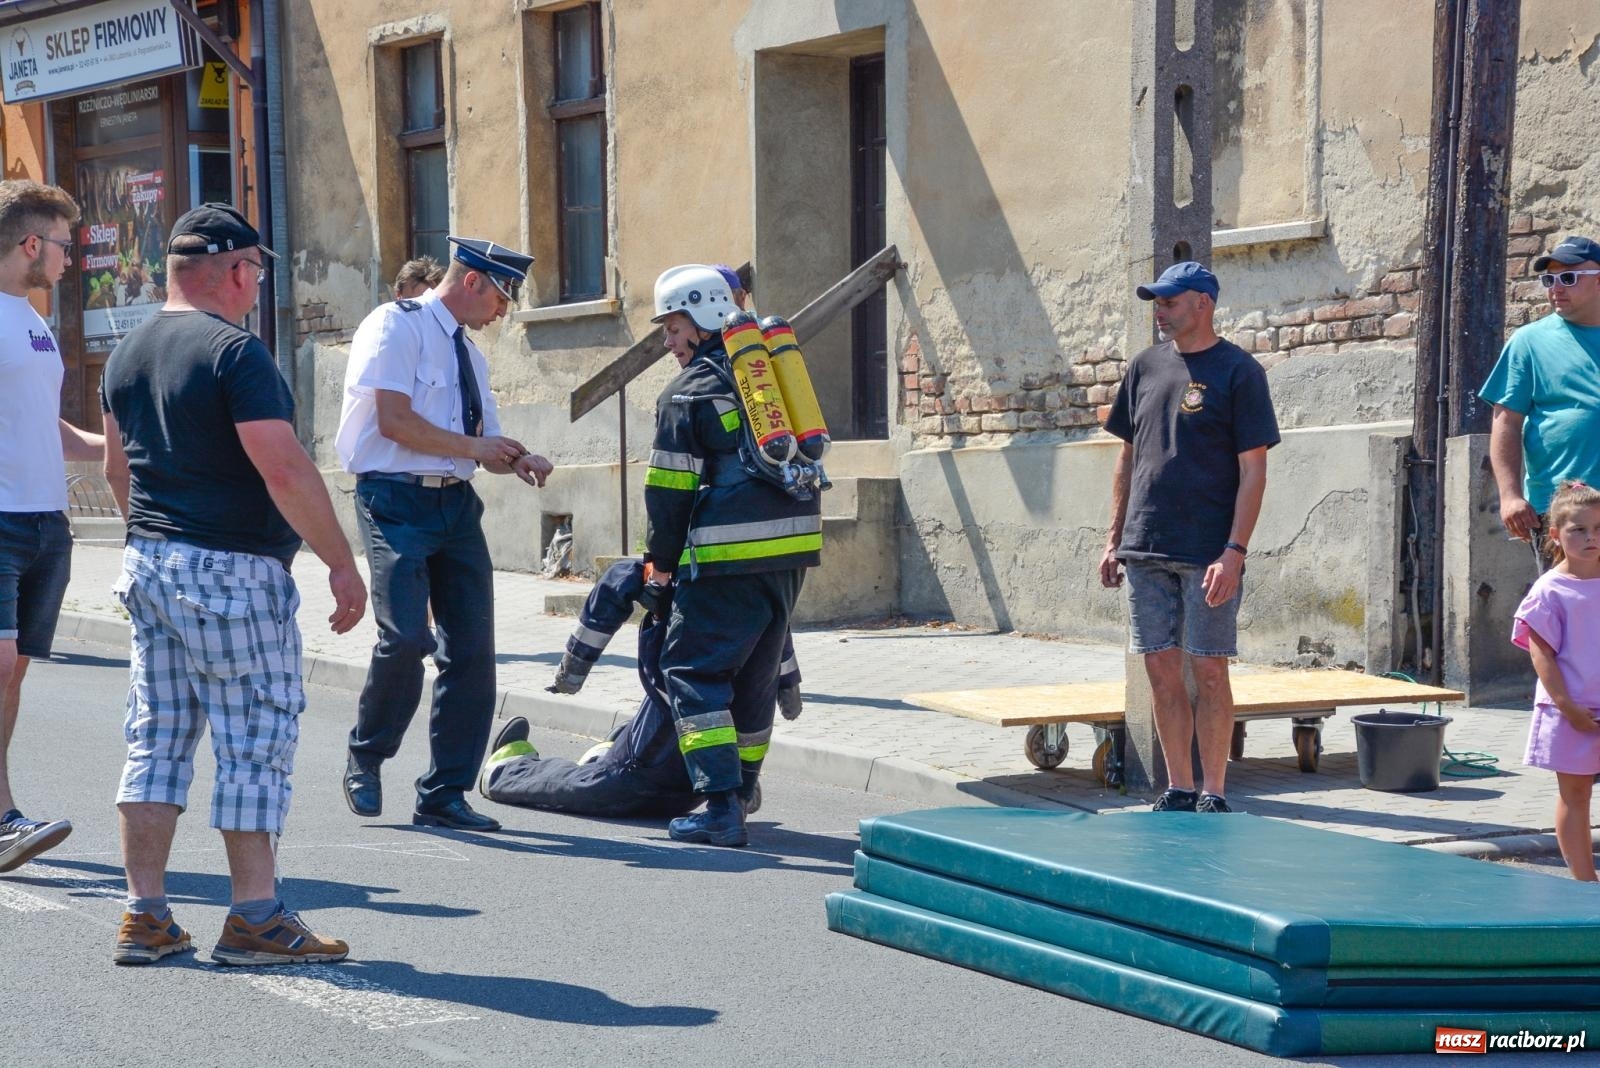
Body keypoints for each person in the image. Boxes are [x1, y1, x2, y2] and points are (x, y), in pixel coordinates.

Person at [101, 202, 367, 966]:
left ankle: (145, 915)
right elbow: (283, 469)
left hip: (150, 562)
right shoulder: (235, 353)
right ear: (239, 271)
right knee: (255, 739)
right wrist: (340, 562)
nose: (257, 288)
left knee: (155, 737)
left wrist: (156, 539)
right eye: (256, 273)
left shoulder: (125, 354)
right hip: (233, 571)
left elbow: (118, 471)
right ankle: (255, 916)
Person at [335, 236, 553, 833]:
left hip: (456, 505)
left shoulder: (471, 356)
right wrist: (476, 447)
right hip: (394, 498)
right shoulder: (395, 325)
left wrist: (518, 458)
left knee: (473, 652)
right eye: (502, 297)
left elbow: (482, 444)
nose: (504, 312)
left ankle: (444, 792)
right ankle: (367, 755)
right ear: (473, 281)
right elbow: (393, 421)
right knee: (407, 637)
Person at [643, 263, 823, 847]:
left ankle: (719, 806)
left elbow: (669, 493)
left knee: (692, 671)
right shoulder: (766, 380)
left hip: (726, 557)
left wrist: (659, 564)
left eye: (672, 329)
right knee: (756, 678)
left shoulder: (687, 392)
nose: (668, 343)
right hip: (792, 552)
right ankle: (742, 791)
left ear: (700, 319)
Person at [1098, 261, 1279, 814]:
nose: (1160, 311)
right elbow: (1127, 456)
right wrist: (1113, 538)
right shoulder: (1144, 366)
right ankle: (1178, 787)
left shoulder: (1239, 371)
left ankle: (1214, 791)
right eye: (1157, 301)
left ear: (1203, 303)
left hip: (1209, 553)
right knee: (1160, 670)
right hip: (1145, 545)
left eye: (1170, 301)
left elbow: (1253, 470)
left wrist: (1235, 551)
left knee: (1209, 669)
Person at [479, 557, 801, 819]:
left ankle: (509, 768)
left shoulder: (696, 575)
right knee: (604, 777)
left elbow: (616, 581)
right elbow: (777, 633)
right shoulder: (752, 581)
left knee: (584, 786)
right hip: (686, 777)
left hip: (658, 775)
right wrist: (788, 689)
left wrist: (574, 668)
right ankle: (591, 755)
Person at [0, 180, 105, 874]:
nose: (72, 259)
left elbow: (42, 424)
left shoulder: (32, 320)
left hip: (45, 522)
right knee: (0, 667)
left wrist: (116, 449)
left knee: (12, 677)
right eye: (66, 245)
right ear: (31, 244)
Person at [1482, 235, 1600, 560]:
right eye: (1549, 280)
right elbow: (1506, 422)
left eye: (1568, 278)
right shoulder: (1529, 342)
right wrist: (1510, 496)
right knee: (1567, 594)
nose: (1555, 288)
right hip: (1565, 513)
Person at [1511, 479, 1600, 882]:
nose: (1591, 537)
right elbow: (1541, 654)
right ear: (1555, 535)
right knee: (1576, 794)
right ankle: (1584, 883)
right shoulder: (1549, 590)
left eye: (1598, 528)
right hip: (1571, 710)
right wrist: (1568, 708)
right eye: (1579, 529)